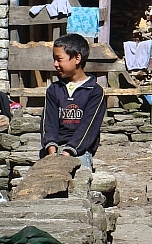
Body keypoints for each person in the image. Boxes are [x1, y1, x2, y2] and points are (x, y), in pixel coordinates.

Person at [41, 33, 106, 170]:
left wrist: (68, 152)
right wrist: (52, 151)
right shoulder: (54, 90)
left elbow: (88, 128)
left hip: (79, 151)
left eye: (59, 59)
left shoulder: (94, 91)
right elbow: (49, 123)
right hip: (54, 150)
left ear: (77, 58)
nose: (55, 64)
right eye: (54, 59)